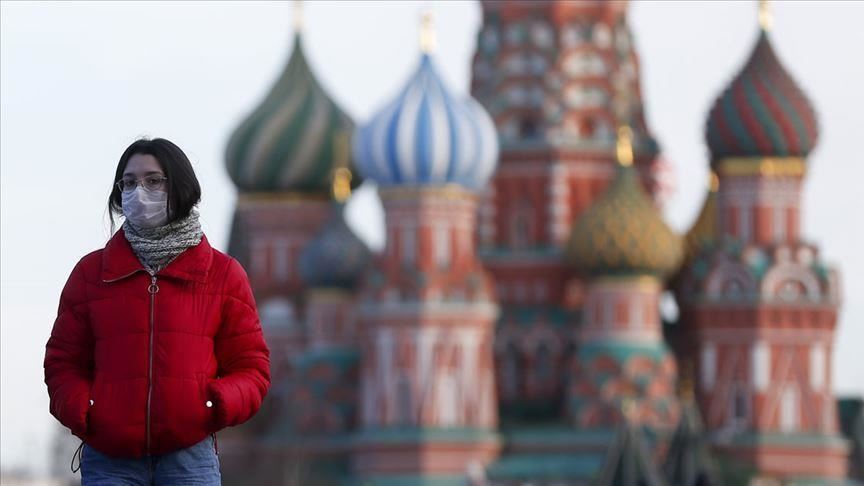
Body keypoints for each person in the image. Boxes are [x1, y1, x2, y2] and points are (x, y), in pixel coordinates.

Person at [43, 138, 271, 485]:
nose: (139, 191)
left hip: (189, 456)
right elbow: (62, 361)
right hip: (110, 457)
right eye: (129, 182)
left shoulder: (222, 274)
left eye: (153, 180)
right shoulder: (92, 273)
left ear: (180, 187)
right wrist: (84, 409)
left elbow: (252, 367)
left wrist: (213, 405)